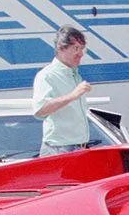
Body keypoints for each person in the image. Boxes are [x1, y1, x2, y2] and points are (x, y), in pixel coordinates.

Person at [32, 24, 92, 156]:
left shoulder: (74, 74)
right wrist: (72, 95)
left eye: (82, 49)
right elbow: (40, 110)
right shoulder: (46, 75)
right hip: (58, 149)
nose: (81, 53)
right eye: (76, 48)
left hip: (79, 147)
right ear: (61, 48)